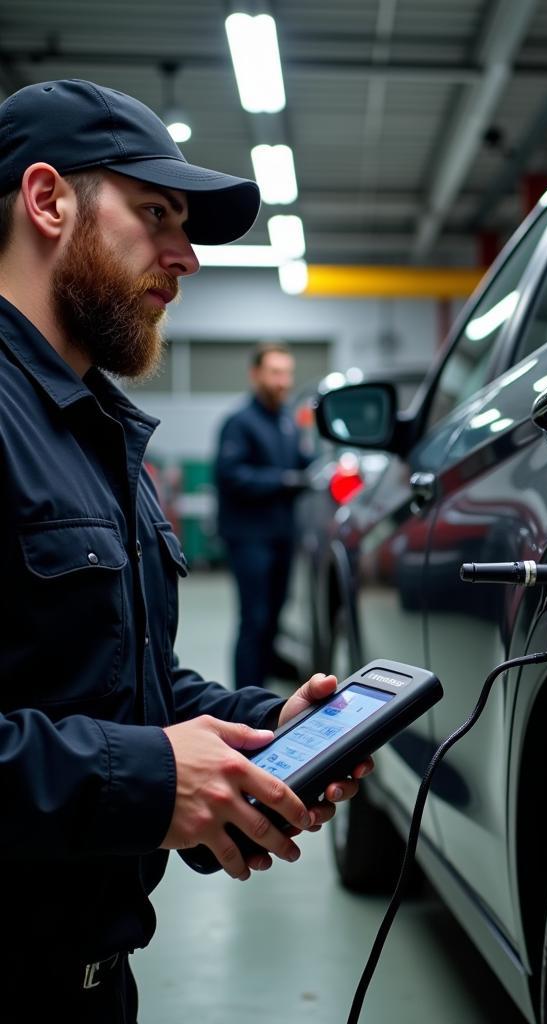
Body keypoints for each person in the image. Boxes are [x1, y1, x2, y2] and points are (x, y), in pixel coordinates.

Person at [0, 79, 371, 1022]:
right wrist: (154, 779)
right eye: (156, 214)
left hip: (91, 977)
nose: (187, 256)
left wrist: (255, 736)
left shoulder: (97, 434)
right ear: (47, 202)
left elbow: (122, 686)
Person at [215, 342, 312, 689]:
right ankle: (245, 699)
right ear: (255, 375)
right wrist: (285, 481)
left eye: (287, 373)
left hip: (282, 535)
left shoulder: (287, 421)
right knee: (254, 619)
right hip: (249, 537)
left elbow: (300, 465)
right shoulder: (240, 423)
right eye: (275, 373)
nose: (282, 381)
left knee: (273, 617)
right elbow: (231, 475)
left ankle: (263, 683)